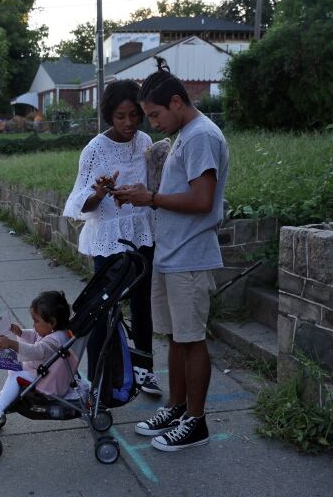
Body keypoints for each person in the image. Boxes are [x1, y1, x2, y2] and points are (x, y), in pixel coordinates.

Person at [113, 57, 229, 452]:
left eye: (155, 114)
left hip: (191, 257)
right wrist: (144, 196)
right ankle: (177, 407)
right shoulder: (186, 135)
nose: (152, 123)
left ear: (177, 102)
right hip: (171, 254)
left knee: (192, 341)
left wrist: (151, 198)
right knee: (177, 339)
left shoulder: (200, 137)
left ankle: (196, 422)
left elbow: (202, 199)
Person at [62, 79, 161, 397]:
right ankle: (101, 378)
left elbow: (150, 187)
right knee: (104, 307)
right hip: (109, 237)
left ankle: (144, 369)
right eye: (121, 116)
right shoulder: (95, 150)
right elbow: (80, 203)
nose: (129, 123)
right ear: (109, 115)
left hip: (141, 233)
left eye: (134, 114)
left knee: (142, 302)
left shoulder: (145, 141)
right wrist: (101, 192)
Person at [0, 291, 78, 421]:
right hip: (46, 375)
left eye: (36, 321)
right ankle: (3, 397)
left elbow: (35, 351)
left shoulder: (54, 341)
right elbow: (36, 336)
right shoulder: (55, 332)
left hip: (47, 383)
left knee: (16, 374)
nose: (33, 325)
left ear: (52, 322)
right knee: (16, 369)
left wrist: (11, 344)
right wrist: (20, 332)